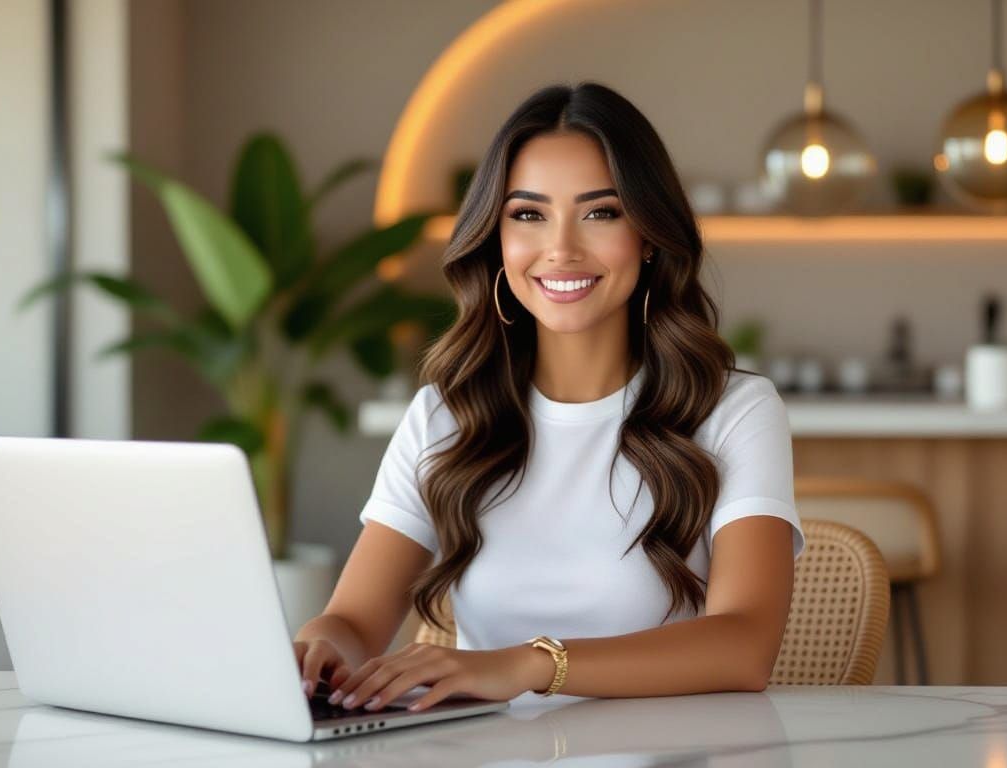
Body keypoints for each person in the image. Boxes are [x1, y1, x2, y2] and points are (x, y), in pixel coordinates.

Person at [293, 82, 804, 714]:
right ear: (496, 237)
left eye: (601, 212)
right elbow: (352, 621)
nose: (561, 248)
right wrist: (317, 647)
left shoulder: (733, 412)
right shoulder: (444, 418)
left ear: (648, 234)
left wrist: (530, 664)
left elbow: (744, 647)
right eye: (528, 214)